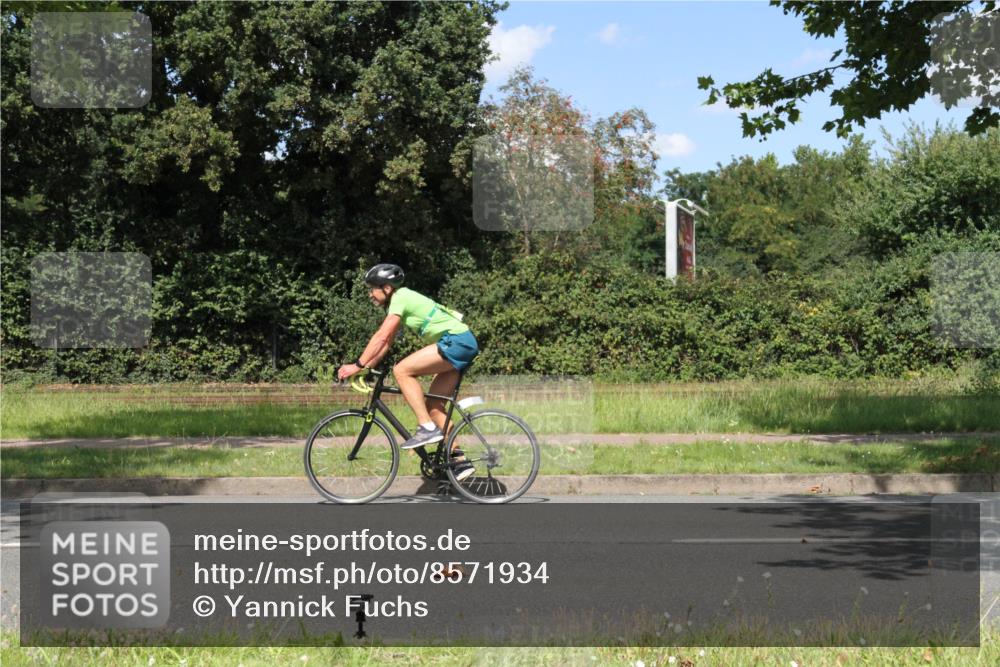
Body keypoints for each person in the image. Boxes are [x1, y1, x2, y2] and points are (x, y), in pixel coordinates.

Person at [337, 263, 479, 481]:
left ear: (386, 288)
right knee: (434, 405)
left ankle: (426, 427)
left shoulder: (400, 297)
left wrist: (356, 364)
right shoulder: (400, 304)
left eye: (372, 288)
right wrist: (366, 367)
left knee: (401, 370)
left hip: (456, 341)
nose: (369, 294)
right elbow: (386, 344)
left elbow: (381, 336)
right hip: (460, 342)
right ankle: (459, 460)